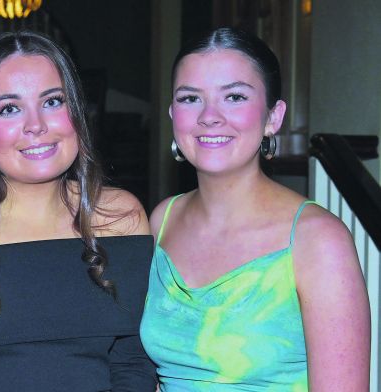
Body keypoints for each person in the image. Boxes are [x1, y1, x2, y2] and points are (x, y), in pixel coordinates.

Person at [0, 31, 156, 391]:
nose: (36, 125)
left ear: (77, 114)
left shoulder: (121, 218)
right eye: (9, 108)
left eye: (52, 102)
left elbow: (132, 366)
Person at [139, 27, 371, 391]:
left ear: (273, 117)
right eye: (190, 99)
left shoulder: (318, 240)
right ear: (172, 114)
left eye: (234, 96)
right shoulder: (161, 220)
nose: (209, 116)